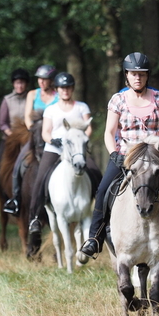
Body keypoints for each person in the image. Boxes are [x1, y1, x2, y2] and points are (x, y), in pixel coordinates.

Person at [79, 52, 159, 262]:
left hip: (156, 154)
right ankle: (94, 238)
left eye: (142, 74)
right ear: (126, 75)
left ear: (147, 76)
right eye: (133, 73)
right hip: (126, 154)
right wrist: (114, 154)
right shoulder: (117, 100)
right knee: (103, 189)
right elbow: (109, 133)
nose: (138, 77)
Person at [26, 71, 102, 234]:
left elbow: (88, 128)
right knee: (40, 179)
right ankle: (35, 218)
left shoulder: (82, 107)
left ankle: (104, 215)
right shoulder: (51, 110)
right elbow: (46, 131)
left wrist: (81, 139)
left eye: (68, 87)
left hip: (76, 149)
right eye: (62, 88)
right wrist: (52, 140)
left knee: (96, 172)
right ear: (57, 89)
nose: (65, 90)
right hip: (55, 148)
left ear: (72, 89)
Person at [2, 64, 59, 216]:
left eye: (45, 79)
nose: (41, 81)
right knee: (19, 162)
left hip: (55, 136)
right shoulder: (32, 94)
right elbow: (28, 116)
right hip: (35, 135)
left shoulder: (58, 95)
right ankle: (15, 198)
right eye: (39, 78)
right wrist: (33, 130)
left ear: (51, 80)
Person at [0, 68, 30, 209]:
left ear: (26, 84)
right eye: (17, 83)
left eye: (22, 83)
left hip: (28, 138)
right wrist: (13, 135)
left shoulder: (31, 98)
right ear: (13, 84)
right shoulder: (7, 100)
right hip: (10, 139)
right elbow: (2, 123)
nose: (19, 86)